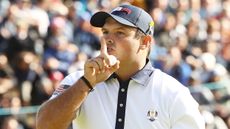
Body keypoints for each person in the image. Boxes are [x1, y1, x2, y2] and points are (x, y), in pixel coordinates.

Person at [36, 4, 205, 129]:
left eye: (120, 33)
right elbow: (45, 124)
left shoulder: (173, 92)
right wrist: (86, 84)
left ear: (145, 42)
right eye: (105, 32)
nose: (108, 38)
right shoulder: (77, 80)